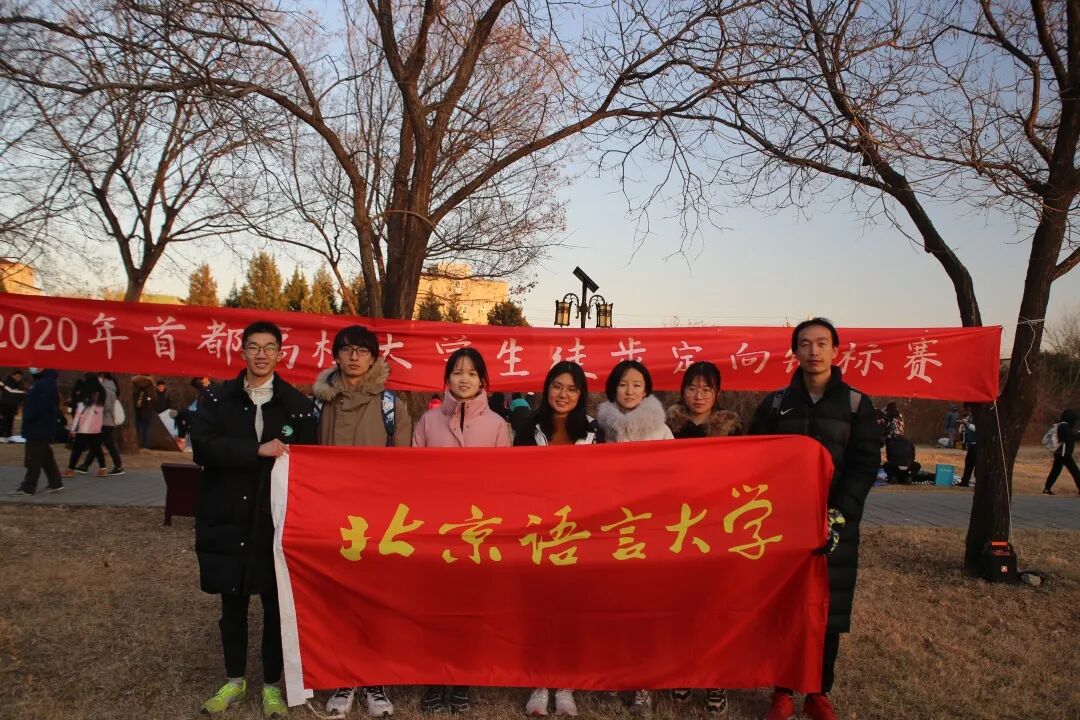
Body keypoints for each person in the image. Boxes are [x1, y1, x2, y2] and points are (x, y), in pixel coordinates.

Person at [749, 318, 879, 720]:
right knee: (785, 609)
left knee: (828, 610)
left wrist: (841, 514)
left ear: (836, 351)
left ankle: (818, 693)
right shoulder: (775, 404)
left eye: (822, 343)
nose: (814, 351)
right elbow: (756, 459)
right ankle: (782, 690)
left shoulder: (856, 404)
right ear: (795, 352)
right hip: (784, 524)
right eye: (805, 344)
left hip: (835, 524)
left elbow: (864, 464)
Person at [191, 320, 318, 718]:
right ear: (242, 351)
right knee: (232, 602)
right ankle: (233, 680)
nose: (261, 354)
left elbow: (310, 463)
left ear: (281, 354)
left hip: (274, 520)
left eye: (269, 348)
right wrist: (255, 449)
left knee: (275, 604)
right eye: (254, 347)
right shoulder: (217, 398)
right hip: (228, 515)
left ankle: (271, 686)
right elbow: (203, 447)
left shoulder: (297, 405)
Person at [315, 325, 412, 718]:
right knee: (336, 601)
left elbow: (404, 470)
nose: (354, 357)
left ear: (374, 358)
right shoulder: (318, 403)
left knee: (374, 602)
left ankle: (375, 681)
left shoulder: (391, 406)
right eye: (347, 349)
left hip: (377, 522)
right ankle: (343, 677)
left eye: (362, 351)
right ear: (336, 355)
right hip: (328, 516)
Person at [413, 347, 510, 714]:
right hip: (436, 528)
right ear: (447, 379)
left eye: (471, 373)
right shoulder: (428, 421)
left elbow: (504, 484)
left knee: (469, 607)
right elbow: (413, 474)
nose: (464, 379)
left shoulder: (498, 425)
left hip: (478, 532)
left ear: (482, 380)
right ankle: (434, 679)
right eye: (457, 372)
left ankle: (462, 680)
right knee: (434, 607)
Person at [516, 362, 602, 718]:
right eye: (556, 386)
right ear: (546, 388)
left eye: (571, 388)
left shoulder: (595, 430)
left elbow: (605, 481)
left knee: (571, 610)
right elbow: (513, 478)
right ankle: (539, 681)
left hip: (578, 532)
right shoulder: (528, 427)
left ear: (581, 394)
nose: (562, 394)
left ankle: (565, 684)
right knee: (538, 608)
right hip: (537, 530)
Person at [594, 360, 672, 716]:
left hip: (646, 529)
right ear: (613, 388)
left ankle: (643, 683)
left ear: (646, 390)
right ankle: (611, 674)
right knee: (609, 604)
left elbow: (674, 479)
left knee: (644, 606)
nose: (629, 390)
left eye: (637, 384)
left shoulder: (661, 431)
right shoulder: (598, 429)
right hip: (606, 529)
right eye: (623, 384)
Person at [663, 361, 740, 715]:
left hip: (718, 527)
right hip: (675, 527)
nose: (698, 396)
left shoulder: (732, 428)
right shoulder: (667, 427)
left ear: (717, 394)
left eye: (706, 389)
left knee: (715, 606)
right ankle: (681, 673)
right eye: (692, 388)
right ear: (683, 391)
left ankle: (715, 679)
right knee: (679, 605)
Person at [10, 369, 64, 495]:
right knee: (46, 456)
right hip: (38, 426)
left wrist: (30, 415)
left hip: (39, 426)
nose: (32, 368)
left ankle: (28, 486)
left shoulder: (46, 383)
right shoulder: (41, 382)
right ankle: (55, 482)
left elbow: (43, 404)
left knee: (33, 457)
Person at [64, 373, 106, 477]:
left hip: (84, 426)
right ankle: (103, 468)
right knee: (96, 447)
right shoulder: (101, 394)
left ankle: (70, 468)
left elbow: (79, 413)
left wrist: (73, 429)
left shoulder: (85, 394)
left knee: (77, 448)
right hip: (95, 426)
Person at [1043, 409, 1080, 495]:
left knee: (1055, 471)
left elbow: (1069, 436)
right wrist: (1078, 435)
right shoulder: (1064, 426)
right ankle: (1047, 489)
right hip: (1064, 453)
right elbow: (1069, 438)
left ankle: (1047, 489)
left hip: (1060, 453)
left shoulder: (1062, 425)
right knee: (1075, 472)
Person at [98, 372, 124, 476]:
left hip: (106, 420)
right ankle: (85, 465)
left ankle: (118, 466)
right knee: (99, 443)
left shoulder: (106, 389)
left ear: (104, 378)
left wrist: (98, 409)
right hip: (108, 421)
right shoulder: (111, 388)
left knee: (109, 444)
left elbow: (107, 406)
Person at [0, 369, 25, 442]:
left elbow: (20, 395)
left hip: (13, 406)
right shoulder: (7, 382)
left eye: (20, 377)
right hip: (5, 405)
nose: (18, 378)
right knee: (4, 421)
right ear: (13, 376)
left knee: (10, 421)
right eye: (17, 376)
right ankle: (1, 436)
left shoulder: (18, 383)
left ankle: (9, 436)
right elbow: (10, 392)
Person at [133, 375, 156, 448]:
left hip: (144, 411)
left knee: (144, 429)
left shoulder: (150, 388)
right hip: (139, 411)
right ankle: (140, 443)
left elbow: (152, 399)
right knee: (140, 428)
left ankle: (144, 444)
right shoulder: (137, 388)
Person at [958, 404, 977, 487]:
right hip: (970, 445)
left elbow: (976, 428)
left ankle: (977, 482)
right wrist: (963, 425)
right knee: (968, 463)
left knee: (976, 464)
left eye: (969, 408)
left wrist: (967, 424)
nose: (968, 410)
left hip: (976, 444)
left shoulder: (978, 416)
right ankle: (964, 481)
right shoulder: (970, 416)